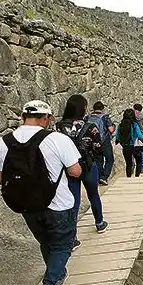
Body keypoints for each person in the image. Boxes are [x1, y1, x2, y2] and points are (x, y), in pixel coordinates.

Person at [0, 100, 82, 285]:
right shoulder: (57, 139)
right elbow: (75, 171)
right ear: (46, 118)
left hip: (27, 206)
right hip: (59, 204)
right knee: (63, 245)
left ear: (23, 116)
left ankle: (56, 275)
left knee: (46, 242)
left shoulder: (4, 142)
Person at [56, 94, 108, 237]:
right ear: (83, 109)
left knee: (73, 201)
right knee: (93, 195)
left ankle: (72, 236)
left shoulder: (59, 127)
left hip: (69, 167)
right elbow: (98, 148)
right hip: (88, 166)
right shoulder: (90, 127)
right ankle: (99, 223)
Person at [87, 101, 116, 185]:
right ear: (102, 108)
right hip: (104, 141)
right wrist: (114, 126)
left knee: (98, 160)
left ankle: (100, 176)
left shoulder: (88, 117)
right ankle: (104, 177)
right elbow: (111, 130)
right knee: (109, 159)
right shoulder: (105, 117)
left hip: (94, 142)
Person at [115, 108, 143, 177]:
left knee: (128, 164)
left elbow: (117, 136)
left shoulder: (120, 125)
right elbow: (139, 136)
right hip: (135, 146)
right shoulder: (134, 124)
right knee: (139, 162)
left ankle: (128, 177)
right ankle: (137, 176)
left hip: (125, 146)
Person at [133, 103, 143, 174]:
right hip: (142, 135)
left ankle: (133, 166)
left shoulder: (131, 116)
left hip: (133, 136)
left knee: (132, 151)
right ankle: (142, 167)